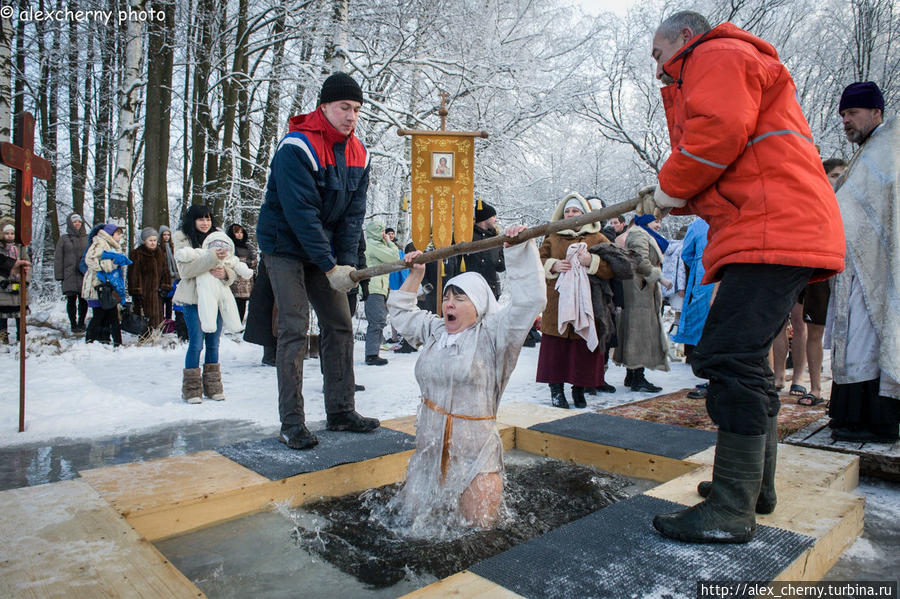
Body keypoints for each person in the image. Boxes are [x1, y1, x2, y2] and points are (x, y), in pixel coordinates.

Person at [645, 11, 845, 543]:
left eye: (659, 54)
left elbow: (718, 131)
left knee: (727, 355)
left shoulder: (718, 53)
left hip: (773, 226)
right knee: (746, 359)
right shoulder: (726, 60)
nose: (657, 68)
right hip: (773, 224)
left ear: (685, 38)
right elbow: (731, 145)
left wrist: (670, 184)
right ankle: (754, 487)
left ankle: (732, 510)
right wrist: (681, 188)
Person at [387, 224, 545, 527]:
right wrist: (416, 275)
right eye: (448, 297)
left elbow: (530, 302)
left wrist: (518, 249)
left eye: (460, 299)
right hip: (429, 457)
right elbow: (402, 314)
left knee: (478, 539)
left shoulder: (495, 337)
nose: (449, 304)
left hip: (475, 459)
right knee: (411, 529)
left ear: (480, 304)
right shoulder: (435, 332)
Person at [256, 71, 379, 450]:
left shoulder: (360, 152)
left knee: (340, 324)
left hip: (322, 248)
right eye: (344, 107)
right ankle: (292, 421)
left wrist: (345, 265)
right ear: (324, 106)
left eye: (357, 109)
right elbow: (301, 215)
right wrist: (329, 266)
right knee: (293, 327)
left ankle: (341, 411)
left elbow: (352, 218)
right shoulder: (296, 146)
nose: (351, 116)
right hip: (285, 245)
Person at [827, 82, 899, 443]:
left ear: (876, 112)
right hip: (857, 264)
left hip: (879, 268)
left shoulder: (888, 149)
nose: (845, 121)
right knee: (856, 341)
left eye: (852, 113)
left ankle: (875, 420)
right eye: (842, 115)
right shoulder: (870, 150)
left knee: (868, 341)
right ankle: (854, 417)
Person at [536, 194, 616, 409]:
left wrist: (592, 261)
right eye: (568, 212)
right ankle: (556, 391)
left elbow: (613, 266)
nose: (570, 215)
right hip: (557, 302)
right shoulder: (552, 237)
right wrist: (552, 265)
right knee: (556, 348)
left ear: (585, 214)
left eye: (575, 211)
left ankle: (579, 389)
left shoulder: (598, 238)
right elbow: (537, 261)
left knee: (582, 348)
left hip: (586, 303)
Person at [798, 159, 847, 406]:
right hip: (820, 271)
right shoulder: (815, 202)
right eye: (836, 175)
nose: (840, 180)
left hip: (847, 274)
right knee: (813, 330)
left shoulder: (852, 202)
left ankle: (842, 390)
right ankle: (816, 388)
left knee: (846, 333)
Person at [173, 205, 231, 404]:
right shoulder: (181, 240)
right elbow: (186, 272)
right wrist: (212, 258)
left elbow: (230, 268)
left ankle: (213, 387)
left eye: (208, 218)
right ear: (192, 221)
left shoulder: (220, 239)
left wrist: (226, 274)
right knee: (196, 343)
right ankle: (191, 389)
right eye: (200, 219)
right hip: (193, 299)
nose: (205, 223)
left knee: (213, 344)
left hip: (216, 298)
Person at [613, 214, 671, 392]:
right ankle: (638, 377)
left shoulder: (642, 233)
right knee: (640, 331)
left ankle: (632, 376)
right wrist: (660, 278)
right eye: (656, 221)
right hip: (639, 289)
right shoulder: (639, 234)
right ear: (646, 221)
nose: (659, 225)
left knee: (635, 329)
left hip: (640, 288)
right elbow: (640, 261)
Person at [671, 218, 715, 396]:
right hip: (708, 278)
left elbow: (687, 255)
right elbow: (687, 254)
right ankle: (714, 377)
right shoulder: (698, 224)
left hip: (705, 278)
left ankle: (716, 378)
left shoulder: (697, 224)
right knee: (713, 329)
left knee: (709, 328)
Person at [81, 224, 127, 347]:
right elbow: (89, 259)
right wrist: (103, 268)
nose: (119, 237)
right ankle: (91, 339)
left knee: (109, 314)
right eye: (118, 234)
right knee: (101, 314)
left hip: (108, 284)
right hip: (98, 285)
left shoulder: (111, 245)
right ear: (111, 234)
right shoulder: (101, 243)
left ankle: (109, 341)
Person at [363, 220, 398, 365]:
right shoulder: (373, 244)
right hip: (374, 287)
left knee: (379, 320)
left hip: (379, 287)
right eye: (382, 231)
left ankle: (373, 352)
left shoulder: (375, 244)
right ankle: (371, 355)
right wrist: (389, 241)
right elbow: (394, 257)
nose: (385, 234)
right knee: (377, 320)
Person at [460, 201, 505, 300]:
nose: (496, 220)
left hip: (491, 291)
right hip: (468, 291)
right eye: (494, 216)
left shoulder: (496, 239)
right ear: (486, 217)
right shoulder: (466, 236)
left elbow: (501, 268)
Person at [128, 227, 170, 329]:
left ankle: (156, 332)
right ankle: (145, 335)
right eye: (150, 240)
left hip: (157, 291)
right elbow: (133, 274)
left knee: (158, 313)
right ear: (144, 241)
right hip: (144, 292)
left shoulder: (159, 252)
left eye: (155, 240)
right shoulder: (137, 254)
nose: (153, 243)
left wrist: (165, 286)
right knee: (145, 316)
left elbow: (165, 271)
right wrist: (136, 290)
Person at [54, 213, 89, 333]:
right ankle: (73, 324)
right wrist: (59, 275)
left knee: (83, 300)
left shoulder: (87, 238)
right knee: (71, 300)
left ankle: (81, 322)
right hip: (69, 274)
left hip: (84, 274)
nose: (77, 224)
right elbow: (58, 258)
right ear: (70, 223)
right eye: (75, 222)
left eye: (79, 221)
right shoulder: (64, 239)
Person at [0, 220, 29, 344]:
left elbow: (28, 265)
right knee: (2, 312)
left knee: (20, 311)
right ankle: (3, 334)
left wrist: (25, 281)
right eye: (7, 233)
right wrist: (3, 282)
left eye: (12, 233)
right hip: (3, 287)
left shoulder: (20, 249)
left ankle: (21, 334)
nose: (10, 236)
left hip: (19, 284)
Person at [226, 224, 257, 323]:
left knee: (242, 302)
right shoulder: (229, 246)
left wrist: (247, 263)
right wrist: (239, 262)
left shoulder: (247, 247)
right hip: (233, 278)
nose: (239, 235)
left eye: (241, 232)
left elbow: (254, 260)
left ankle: (239, 321)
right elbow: (229, 260)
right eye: (237, 232)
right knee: (233, 301)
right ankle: (232, 321)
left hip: (246, 279)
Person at [158, 226, 179, 322]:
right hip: (163, 277)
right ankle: (161, 321)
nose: (166, 237)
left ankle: (169, 321)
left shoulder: (172, 246)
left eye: (168, 235)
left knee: (170, 301)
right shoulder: (159, 248)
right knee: (162, 300)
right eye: (164, 235)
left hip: (173, 277)